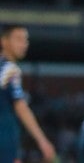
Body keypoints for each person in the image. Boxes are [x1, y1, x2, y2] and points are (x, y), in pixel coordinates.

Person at [0, 24, 56, 163]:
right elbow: (21, 107)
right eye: (18, 39)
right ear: (4, 41)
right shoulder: (10, 70)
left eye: (26, 40)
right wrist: (42, 140)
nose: (24, 44)